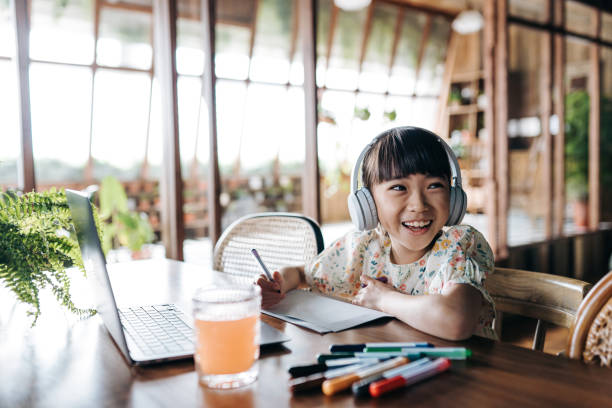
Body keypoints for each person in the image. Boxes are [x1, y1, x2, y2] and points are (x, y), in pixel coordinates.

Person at [256, 126, 496, 341]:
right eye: (399, 188)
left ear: (453, 198)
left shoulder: (456, 246)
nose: (419, 204)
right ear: (369, 204)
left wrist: (383, 299)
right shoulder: (362, 248)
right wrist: (278, 284)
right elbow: (302, 274)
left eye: (434, 186)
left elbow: (455, 321)